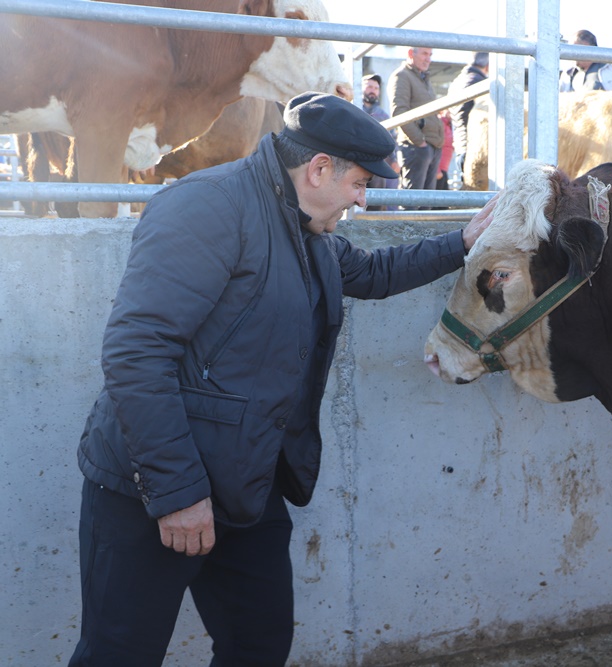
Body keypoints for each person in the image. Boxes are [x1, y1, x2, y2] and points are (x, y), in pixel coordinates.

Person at [70, 91, 496, 667]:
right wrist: (178, 494)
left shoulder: (304, 225)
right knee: (119, 655)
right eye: (359, 184)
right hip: (153, 491)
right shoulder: (208, 207)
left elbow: (373, 272)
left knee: (259, 646)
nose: (362, 199)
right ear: (318, 169)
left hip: (247, 483)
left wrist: (464, 242)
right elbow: (136, 353)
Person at [387, 47, 444, 204]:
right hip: (416, 147)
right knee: (411, 202)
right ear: (411, 53)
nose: (428, 59)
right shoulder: (402, 76)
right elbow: (399, 112)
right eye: (425, 54)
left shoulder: (423, 78)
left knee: (427, 203)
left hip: (431, 146)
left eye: (430, 55)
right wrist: (420, 142)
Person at [360, 73, 400, 210]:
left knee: (387, 182)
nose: (373, 90)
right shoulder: (353, 109)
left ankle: (383, 218)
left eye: (376, 88)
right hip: (357, 159)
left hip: (378, 161)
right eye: (369, 87)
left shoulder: (383, 115)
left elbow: (392, 140)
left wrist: (394, 160)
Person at [447, 52, 489, 177]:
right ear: (488, 66)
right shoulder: (480, 83)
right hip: (476, 147)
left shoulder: (457, 82)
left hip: (460, 144)